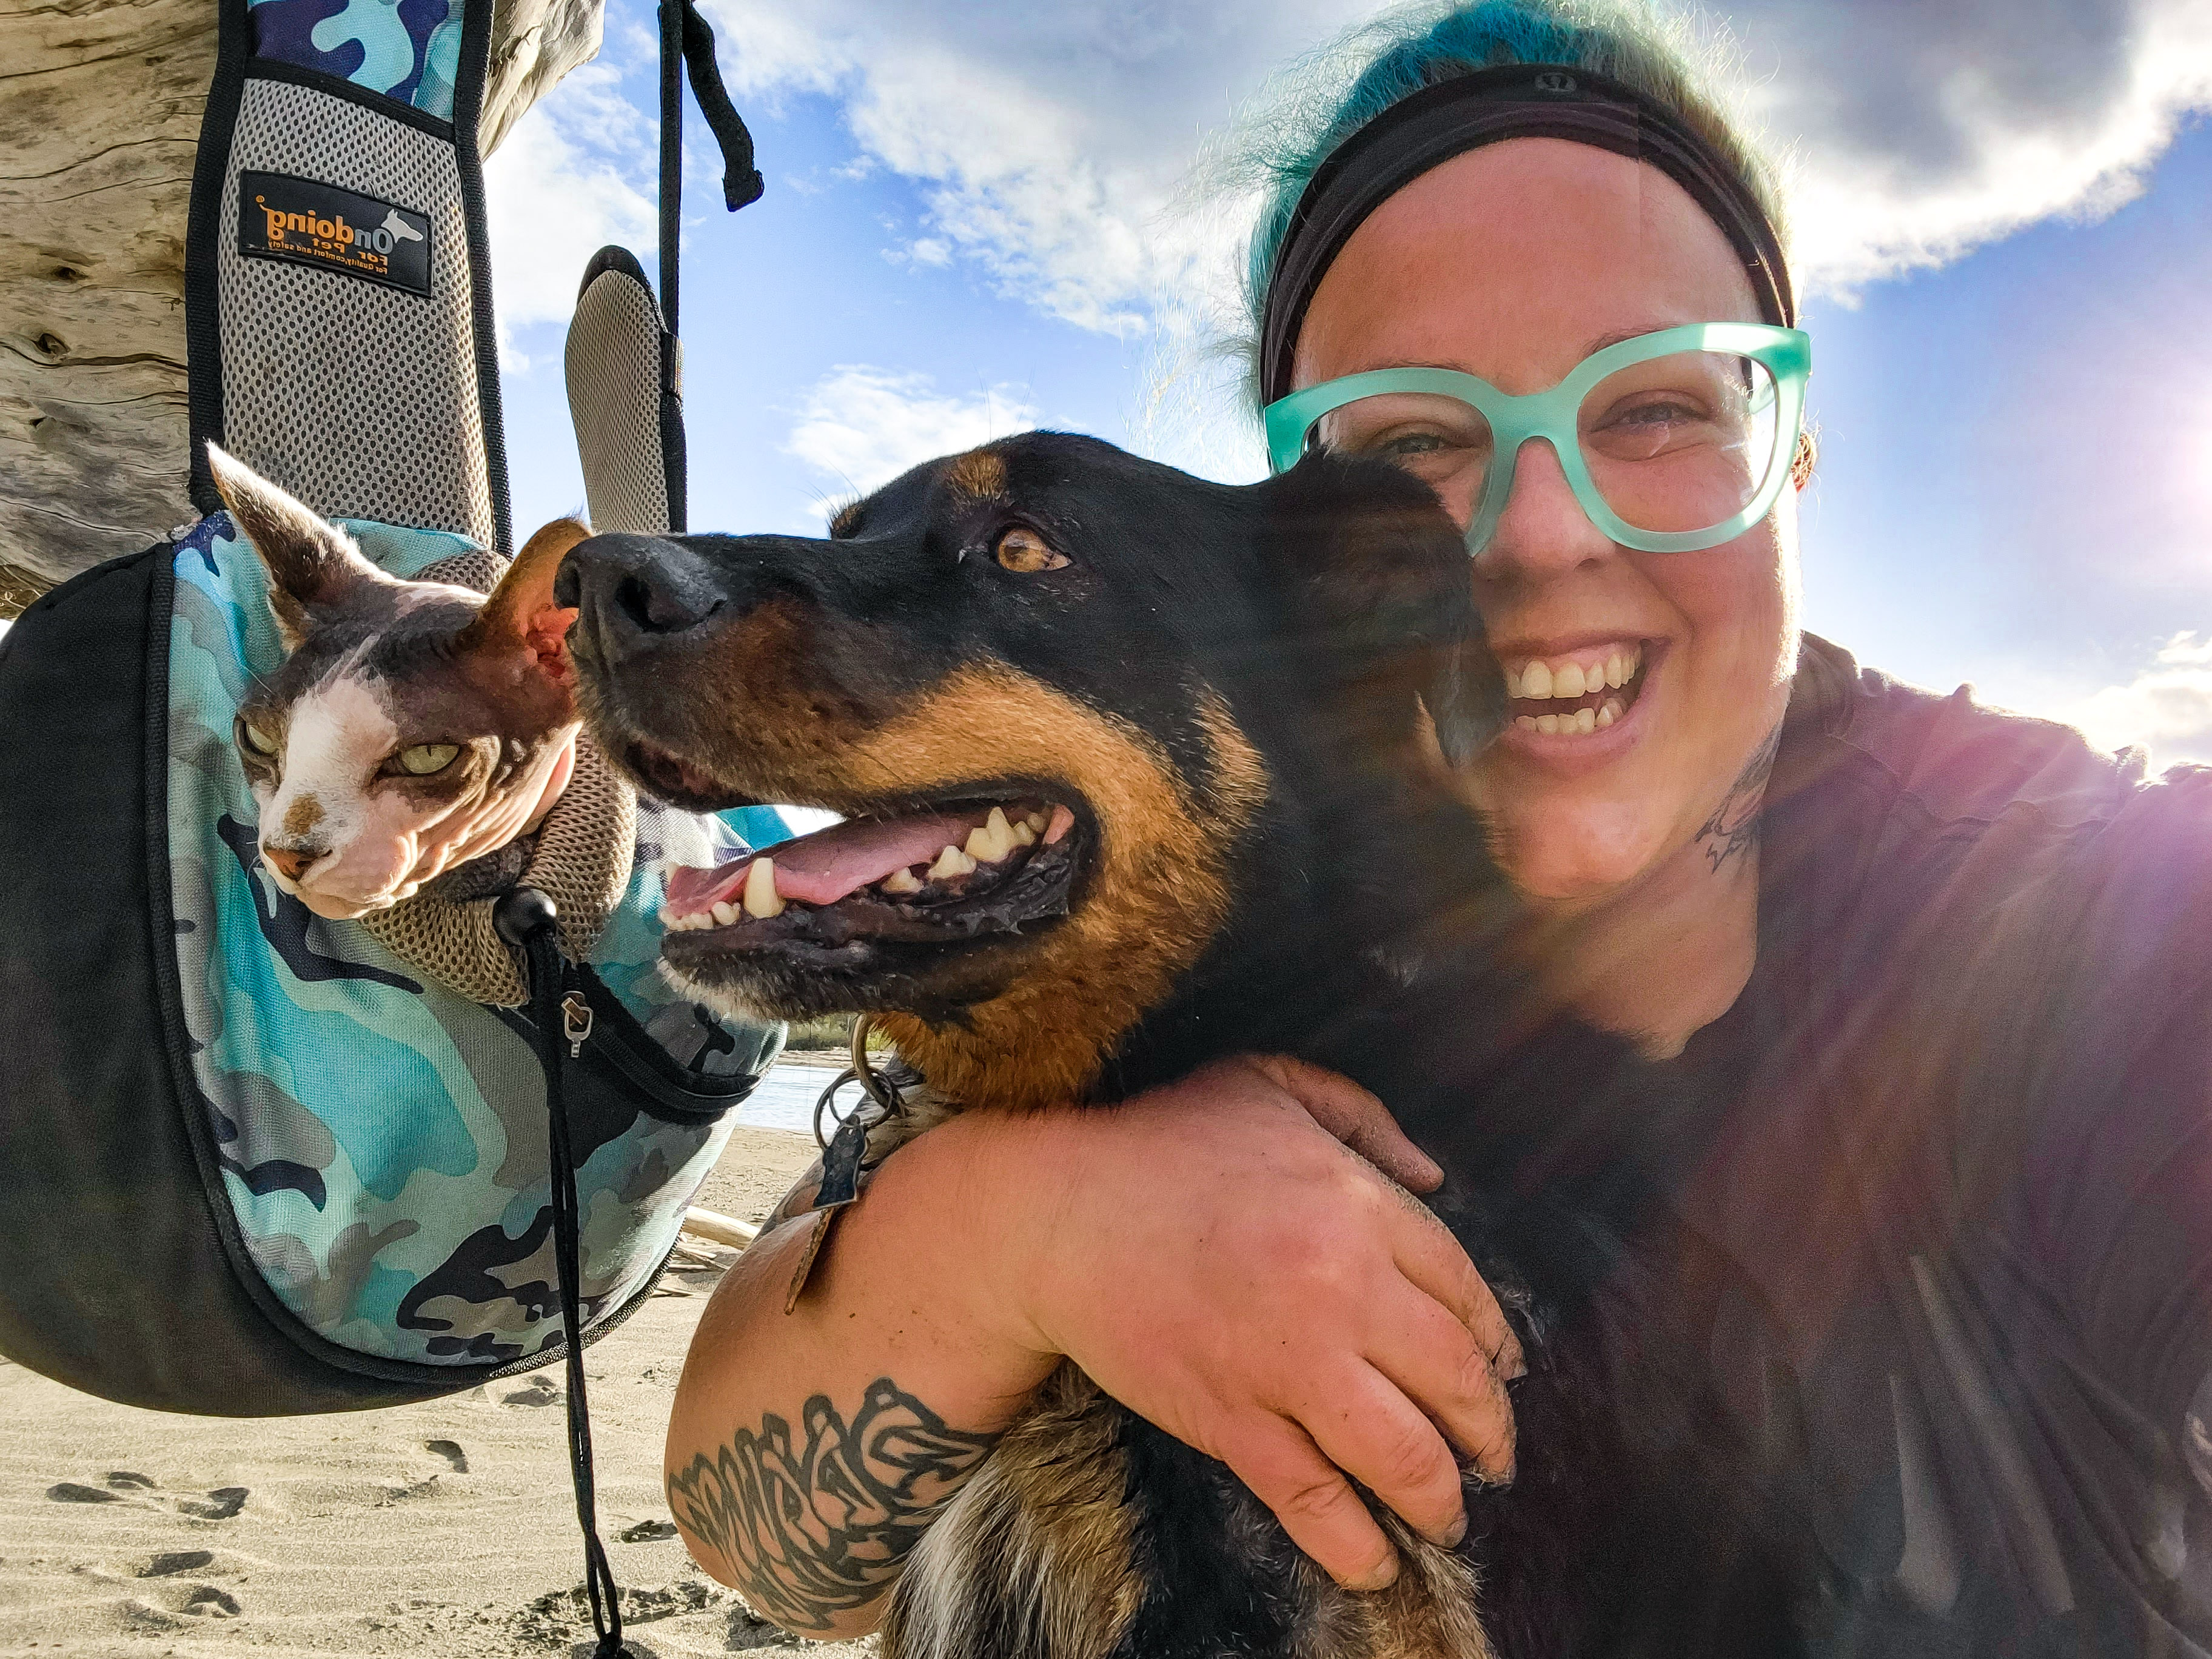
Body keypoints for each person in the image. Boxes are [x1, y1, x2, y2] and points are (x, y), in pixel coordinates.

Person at [662, 2, 2212, 1651]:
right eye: (1419, 443)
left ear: (1797, 451)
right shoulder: (1210, 924)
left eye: (1661, 409)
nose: (1543, 537)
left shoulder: (2083, 918)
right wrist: (1024, 1239)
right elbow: (753, 1526)